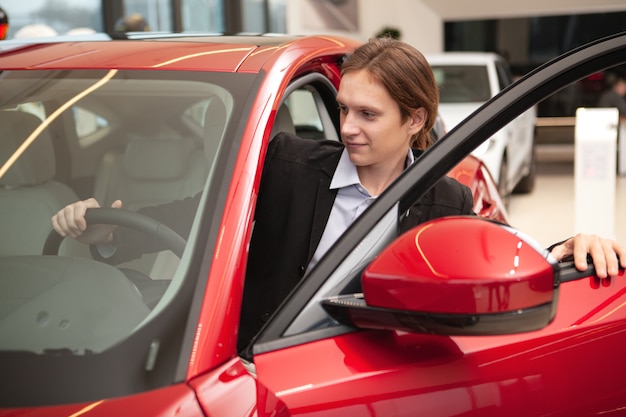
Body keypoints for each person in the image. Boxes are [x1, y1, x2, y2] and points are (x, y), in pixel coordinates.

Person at [51, 37, 626, 349]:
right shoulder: (286, 166)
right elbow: (195, 220)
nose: (346, 126)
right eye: (344, 109)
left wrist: (572, 246)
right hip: (254, 370)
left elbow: (498, 254)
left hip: (367, 381)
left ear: (414, 119)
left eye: (367, 114)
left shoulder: (444, 203)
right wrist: (105, 229)